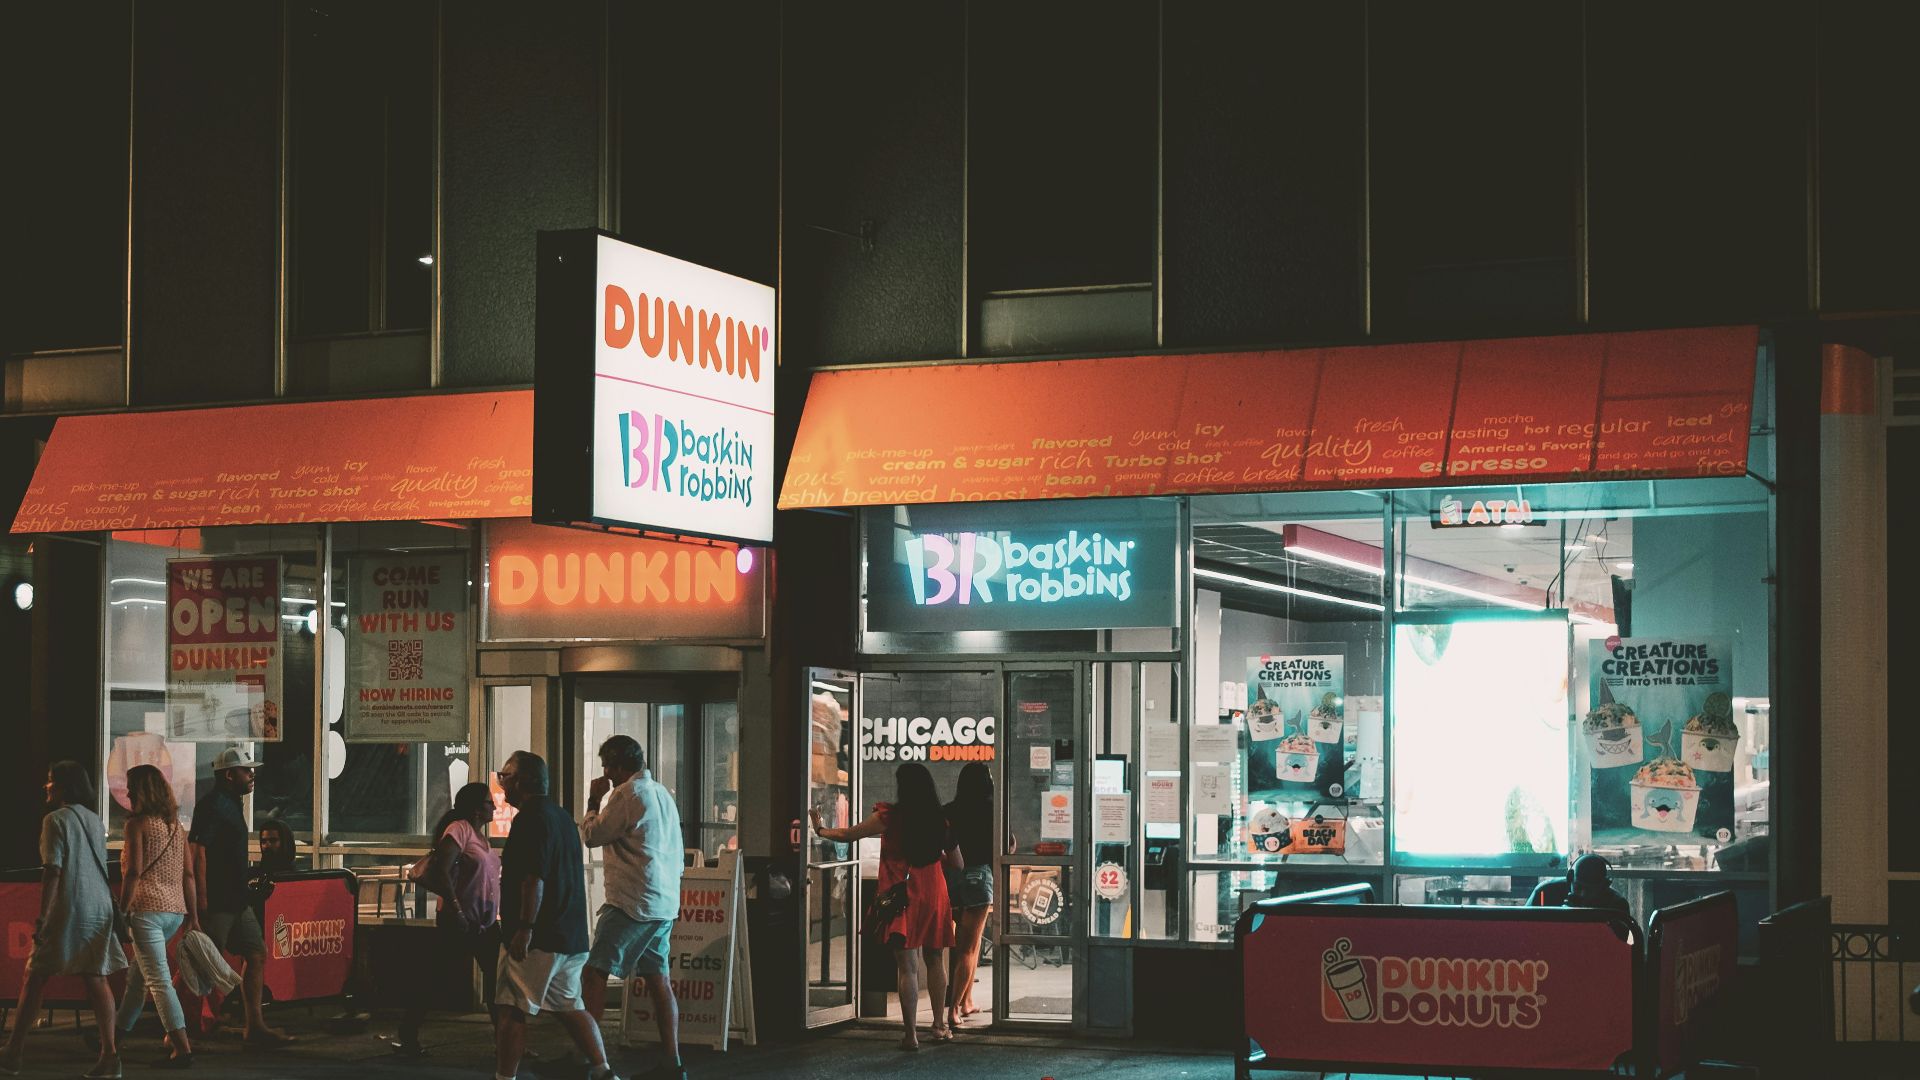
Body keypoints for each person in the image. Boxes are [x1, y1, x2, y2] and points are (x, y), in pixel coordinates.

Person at [810, 762, 958, 1051]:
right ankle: (939, 1026)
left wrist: (821, 829)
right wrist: (935, 856)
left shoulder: (889, 816)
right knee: (935, 958)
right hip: (934, 892)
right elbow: (958, 863)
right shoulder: (941, 821)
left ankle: (910, 1035)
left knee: (907, 967)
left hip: (904, 894)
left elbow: (850, 834)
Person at [494, 751, 620, 1080]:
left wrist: (525, 927)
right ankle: (603, 1070)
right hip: (570, 935)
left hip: (539, 937)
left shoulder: (530, 819)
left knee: (512, 1008)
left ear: (522, 781)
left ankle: (504, 1077)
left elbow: (533, 878)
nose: (501, 784)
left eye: (505, 777)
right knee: (570, 1006)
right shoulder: (562, 817)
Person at [0, 761, 128, 1078]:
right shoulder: (94, 820)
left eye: (51, 781)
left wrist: (44, 917)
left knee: (36, 974)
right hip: (99, 907)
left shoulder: (55, 820)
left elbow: (53, 871)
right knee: (96, 976)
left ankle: (13, 1051)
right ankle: (110, 1055)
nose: (47, 786)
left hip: (70, 907)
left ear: (64, 786)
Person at [579, 736, 685, 1080]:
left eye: (607, 766)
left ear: (619, 765)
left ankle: (591, 1059)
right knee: (659, 980)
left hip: (631, 902)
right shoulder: (662, 794)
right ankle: (672, 1061)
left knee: (594, 973)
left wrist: (593, 801)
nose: (605, 773)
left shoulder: (626, 794)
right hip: (663, 902)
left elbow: (593, 835)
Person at [189, 746, 291, 1046]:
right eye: (247, 770)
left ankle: (254, 1026)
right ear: (229, 775)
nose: (252, 774)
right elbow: (197, 852)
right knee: (204, 964)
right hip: (218, 900)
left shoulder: (230, 804)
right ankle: (188, 1028)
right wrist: (201, 900)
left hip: (235, 898)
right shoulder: (213, 806)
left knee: (255, 953)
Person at [395, 782, 501, 1058]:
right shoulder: (459, 830)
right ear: (476, 809)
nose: (494, 806)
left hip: (485, 924)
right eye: (489, 802)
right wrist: (457, 909)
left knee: (497, 981)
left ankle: (506, 1040)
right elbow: (441, 869)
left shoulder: (481, 837)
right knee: (435, 976)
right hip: (459, 921)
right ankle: (408, 1031)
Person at [115, 764, 199, 1069]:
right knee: (138, 978)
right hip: (174, 911)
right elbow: (189, 875)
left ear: (141, 791)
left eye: (131, 787)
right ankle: (112, 1039)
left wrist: (122, 909)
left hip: (146, 911)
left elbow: (133, 872)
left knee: (158, 980)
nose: (127, 793)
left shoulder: (136, 825)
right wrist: (193, 916)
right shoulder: (176, 827)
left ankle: (182, 1048)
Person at [943, 762, 994, 1029]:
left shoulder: (949, 810)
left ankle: (967, 1001)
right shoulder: (992, 809)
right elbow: (1008, 845)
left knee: (958, 946)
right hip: (978, 878)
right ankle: (953, 1010)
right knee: (969, 948)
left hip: (951, 877)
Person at [1563, 853, 1632, 915]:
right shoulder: (1557, 893)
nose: (1583, 894)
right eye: (1578, 887)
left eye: (1590, 890)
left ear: (1603, 887)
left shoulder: (1618, 905)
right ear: (1570, 879)